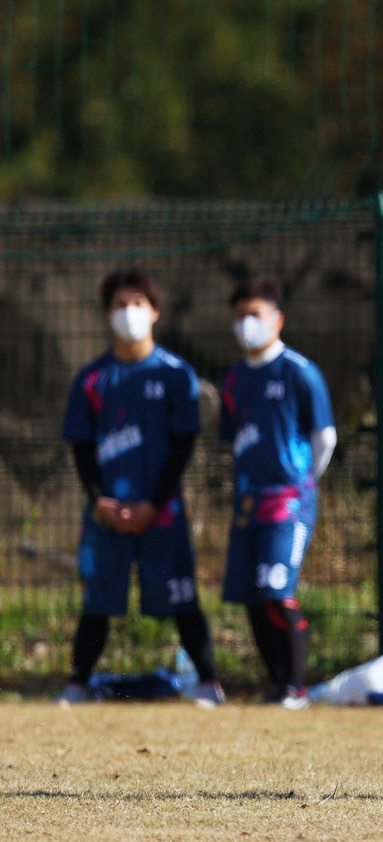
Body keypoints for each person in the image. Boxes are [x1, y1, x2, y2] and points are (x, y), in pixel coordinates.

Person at [58, 269, 224, 707]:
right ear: (106, 313)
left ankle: (209, 681)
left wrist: (153, 503)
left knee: (181, 595)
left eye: (137, 303)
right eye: (119, 304)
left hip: (162, 512)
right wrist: (100, 500)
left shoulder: (175, 374)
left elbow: (183, 445)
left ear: (155, 312)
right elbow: (80, 447)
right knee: (97, 598)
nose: (128, 312)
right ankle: (77, 683)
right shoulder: (91, 379)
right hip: (106, 513)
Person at [219, 278, 336, 709]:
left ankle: (295, 686)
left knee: (276, 590)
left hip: (288, 501)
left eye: (255, 314)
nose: (246, 323)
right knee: (251, 596)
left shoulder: (300, 372)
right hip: (247, 501)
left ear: (277, 320)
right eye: (239, 315)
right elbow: (234, 439)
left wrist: (301, 483)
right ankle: (275, 683)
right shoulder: (233, 379)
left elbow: (324, 438)